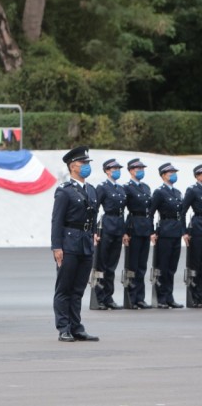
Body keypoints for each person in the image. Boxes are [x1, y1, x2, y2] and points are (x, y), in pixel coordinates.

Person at [51, 146, 101, 342]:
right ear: (73, 166)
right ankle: (64, 327)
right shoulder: (64, 191)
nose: (87, 166)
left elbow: (94, 216)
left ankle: (76, 326)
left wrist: (95, 234)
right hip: (69, 243)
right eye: (84, 163)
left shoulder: (91, 190)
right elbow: (57, 220)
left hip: (86, 242)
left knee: (79, 288)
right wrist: (57, 247)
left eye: (88, 163)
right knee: (64, 288)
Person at [150, 162, 185, 309]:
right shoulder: (159, 192)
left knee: (172, 267)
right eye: (170, 172)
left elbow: (182, 214)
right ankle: (161, 297)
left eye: (174, 172)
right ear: (163, 175)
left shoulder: (177, 192)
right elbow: (150, 212)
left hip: (176, 231)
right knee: (163, 266)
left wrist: (183, 231)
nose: (173, 174)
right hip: (165, 231)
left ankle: (169, 296)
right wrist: (152, 231)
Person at [93, 159, 127, 309]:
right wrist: (94, 231)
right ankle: (99, 297)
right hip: (107, 226)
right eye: (114, 168)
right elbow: (94, 209)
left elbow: (123, 211)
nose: (116, 170)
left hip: (118, 226)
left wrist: (125, 231)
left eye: (118, 168)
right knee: (102, 264)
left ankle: (108, 297)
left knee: (112, 265)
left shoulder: (120, 188)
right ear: (107, 170)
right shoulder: (102, 187)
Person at [123, 158, 154, 309]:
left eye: (142, 168)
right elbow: (122, 210)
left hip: (145, 227)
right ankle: (131, 297)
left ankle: (140, 298)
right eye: (137, 168)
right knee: (133, 264)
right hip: (134, 225)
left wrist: (152, 230)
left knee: (142, 265)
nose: (140, 171)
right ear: (130, 170)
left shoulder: (146, 187)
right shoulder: (127, 188)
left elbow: (150, 210)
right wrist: (125, 232)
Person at [181, 164, 202, 307]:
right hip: (198, 226)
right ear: (197, 176)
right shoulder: (193, 190)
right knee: (196, 263)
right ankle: (195, 296)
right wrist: (184, 232)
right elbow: (182, 211)